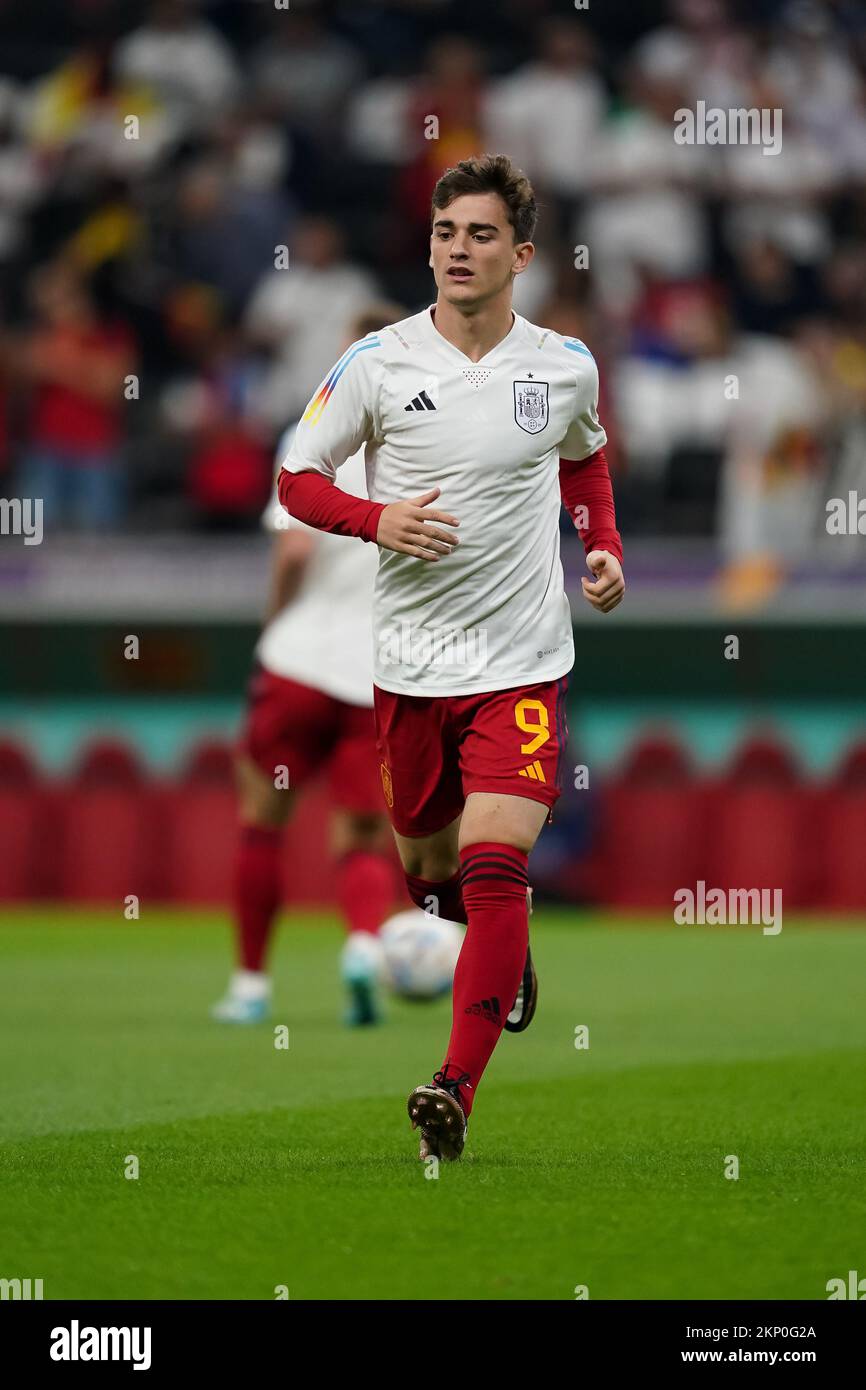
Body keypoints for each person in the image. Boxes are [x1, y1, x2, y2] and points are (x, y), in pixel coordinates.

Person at [279, 154, 624, 1160]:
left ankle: (452, 1087)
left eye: (478, 236)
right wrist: (374, 515)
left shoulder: (561, 363)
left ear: (519, 255)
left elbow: (585, 455)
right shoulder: (376, 361)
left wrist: (598, 543)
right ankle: (494, 954)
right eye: (443, 234)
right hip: (409, 667)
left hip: (519, 660)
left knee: (493, 861)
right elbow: (298, 479)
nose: (457, 251)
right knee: (427, 871)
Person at [211, 305, 407, 1027]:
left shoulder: (314, 431)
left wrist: (274, 619)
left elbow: (293, 550)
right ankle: (360, 945)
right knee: (358, 833)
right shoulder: (428, 444)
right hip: (378, 673)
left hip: (299, 661)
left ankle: (250, 986)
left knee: (263, 821)